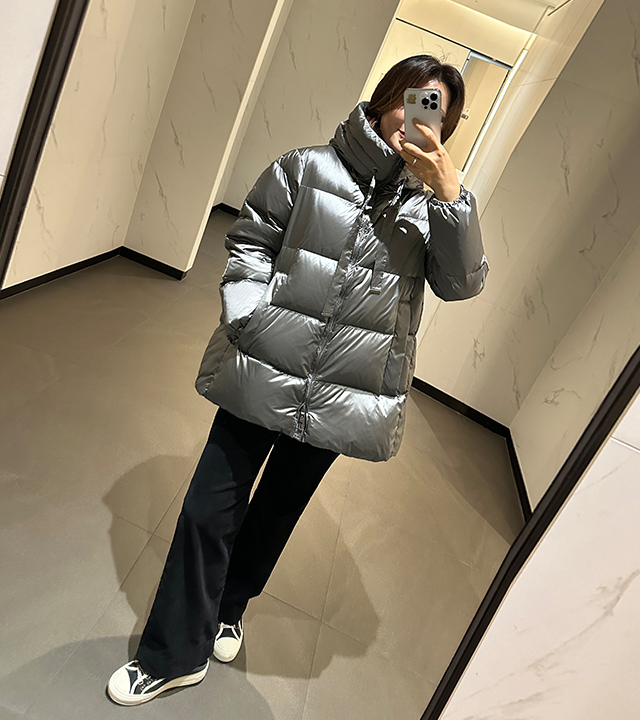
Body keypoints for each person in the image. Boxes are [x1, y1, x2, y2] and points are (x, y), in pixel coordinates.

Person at [107, 54, 489, 706]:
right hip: (263, 362)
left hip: (348, 387)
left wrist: (452, 200)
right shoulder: (305, 168)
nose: (419, 120)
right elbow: (251, 240)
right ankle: (171, 654)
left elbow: (462, 284)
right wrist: (247, 317)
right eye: (414, 99)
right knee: (208, 508)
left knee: (277, 511)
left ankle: (229, 606)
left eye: (437, 113)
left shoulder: (434, 209)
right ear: (386, 98)